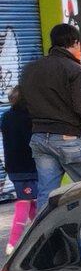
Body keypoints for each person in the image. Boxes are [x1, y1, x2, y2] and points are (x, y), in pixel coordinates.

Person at [17, 23, 81, 210]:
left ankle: (42, 235)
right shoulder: (74, 69)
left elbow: (22, 103)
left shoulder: (30, 69)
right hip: (68, 137)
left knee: (46, 194)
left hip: (39, 137)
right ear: (75, 42)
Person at [4, 88, 37, 251]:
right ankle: (13, 242)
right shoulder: (29, 118)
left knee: (32, 201)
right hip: (28, 166)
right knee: (24, 201)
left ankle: (42, 233)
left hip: (13, 167)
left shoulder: (6, 116)